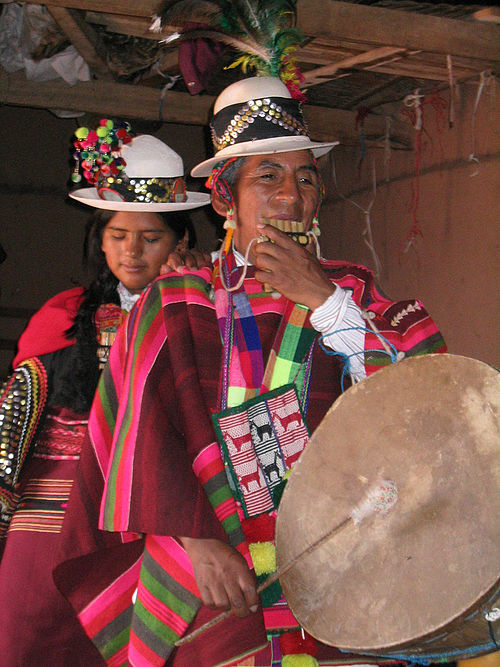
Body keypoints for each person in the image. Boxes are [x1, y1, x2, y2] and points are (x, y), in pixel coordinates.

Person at [53, 79, 446, 667]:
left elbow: (426, 402)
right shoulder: (175, 302)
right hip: (212, 573)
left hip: (346, 560)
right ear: (222, 198)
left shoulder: (356, 291)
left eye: (306, 178)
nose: (291, 194)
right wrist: (194, 540)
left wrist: (325, 298)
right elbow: (135, 438)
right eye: (267, 176)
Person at [0, 122, 210, 666]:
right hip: (50, 516)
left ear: (181, 241)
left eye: (151, 237)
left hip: (153, 518)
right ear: (99, 238)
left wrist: (183, 302)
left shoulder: (206, 311)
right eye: (118, 236)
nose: (132, 252)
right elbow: (15, 426)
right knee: (27, 644)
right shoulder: (64, 316)